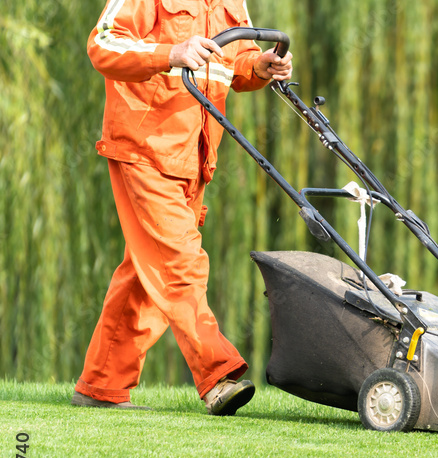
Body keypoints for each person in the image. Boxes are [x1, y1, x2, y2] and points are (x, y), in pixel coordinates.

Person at [71, 0, 292, 415]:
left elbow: (231, 62)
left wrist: (259, 67)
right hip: (143, 147)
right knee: (181, 264)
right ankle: (217, 374)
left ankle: (101, 385)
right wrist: (169, 53)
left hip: (194, 156)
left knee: (146, 275)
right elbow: (102, 45)